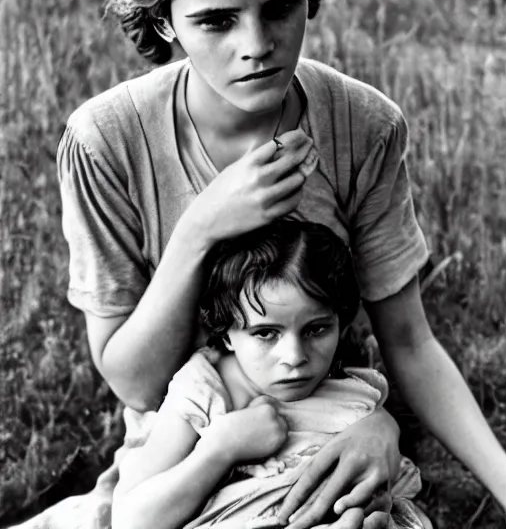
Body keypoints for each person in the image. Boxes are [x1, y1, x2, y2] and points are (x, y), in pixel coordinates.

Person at [18, 0, 506, 529]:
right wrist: (201, 228)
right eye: (217, 20)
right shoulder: (106, 140)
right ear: (163, 21)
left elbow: (407, 340)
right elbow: (136, 383)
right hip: (181, 451)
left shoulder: (363, 124)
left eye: (280, 6)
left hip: (327, 431)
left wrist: (505, 486)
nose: (258, 44)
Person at [114, 220, 433, 529]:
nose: (295, 358)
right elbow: (132, 521)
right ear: (225, 335)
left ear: (342, 323)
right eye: (266, 333)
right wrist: (222, 449)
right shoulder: (204, 393)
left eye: (317, 329)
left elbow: (385, 491)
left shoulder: (352, 397)